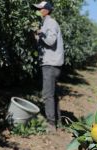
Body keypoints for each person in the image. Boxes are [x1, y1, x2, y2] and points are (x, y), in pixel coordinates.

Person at [33, 1, 64, 131]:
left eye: (40, 9)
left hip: (51, 64)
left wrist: (40, 33)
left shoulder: (50, 23)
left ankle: (51, 124)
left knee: (47, 94)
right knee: (53, 94)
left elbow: (51, 41)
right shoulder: (46, 23)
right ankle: (58, 121)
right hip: (52, 63)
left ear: (46, 10)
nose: (38, 11)